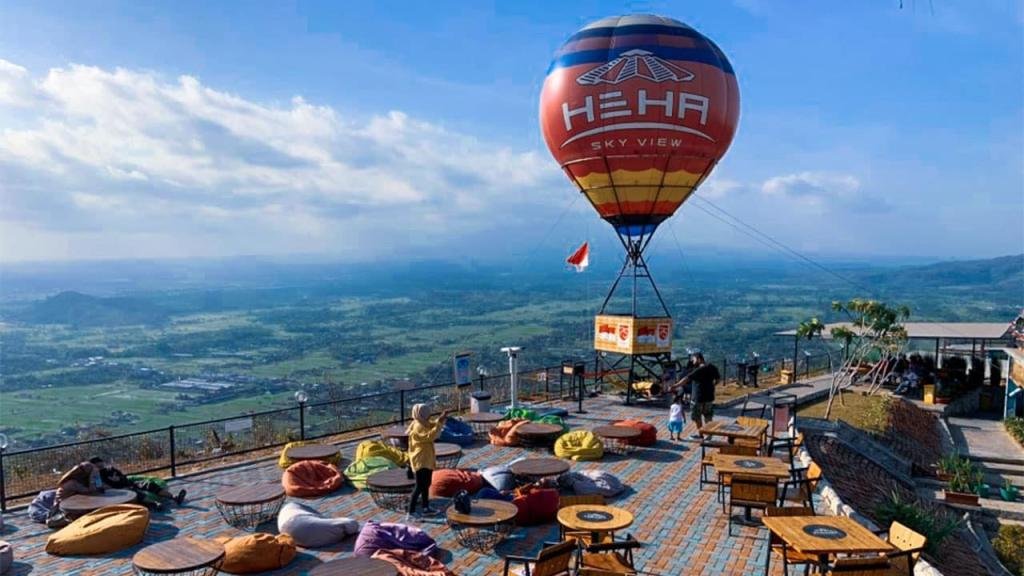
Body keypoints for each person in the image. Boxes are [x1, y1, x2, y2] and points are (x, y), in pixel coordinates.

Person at [405, 403, 448, 517]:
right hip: (420, 460)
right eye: (427, 414)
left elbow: (431, 425)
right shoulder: (418, 426)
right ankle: (411, 511)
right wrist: (439, 424)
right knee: (419, 486)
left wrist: (440, 419)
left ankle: (425, 507)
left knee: (427, 483)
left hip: (426, 459)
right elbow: (431, 435)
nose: (429, 416)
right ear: (421, 414)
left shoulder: (422, 422)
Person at [97, 460, 186, 512]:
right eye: (97, 464)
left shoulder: (111, 469)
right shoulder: (98, 476)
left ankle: (174, 498)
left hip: (129, 483)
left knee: (149, 484)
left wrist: (119, 478)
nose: (100, 465)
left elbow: (123, 477)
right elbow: (105, 487)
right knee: (135, 492)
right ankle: (154, 504)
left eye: (100, 462)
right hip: (120, 490)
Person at [671, 353, 720, 440]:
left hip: (698, 397)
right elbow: (718, 379)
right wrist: (712, 386)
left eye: (693, 360)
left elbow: (686, 379)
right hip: (709, 397)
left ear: (698, 359)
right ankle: (709, 435)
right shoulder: (712, 367)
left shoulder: (699, 369)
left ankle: (701, 434)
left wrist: (675, 386)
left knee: (697, 417)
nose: (692, 362)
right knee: (708, 416)